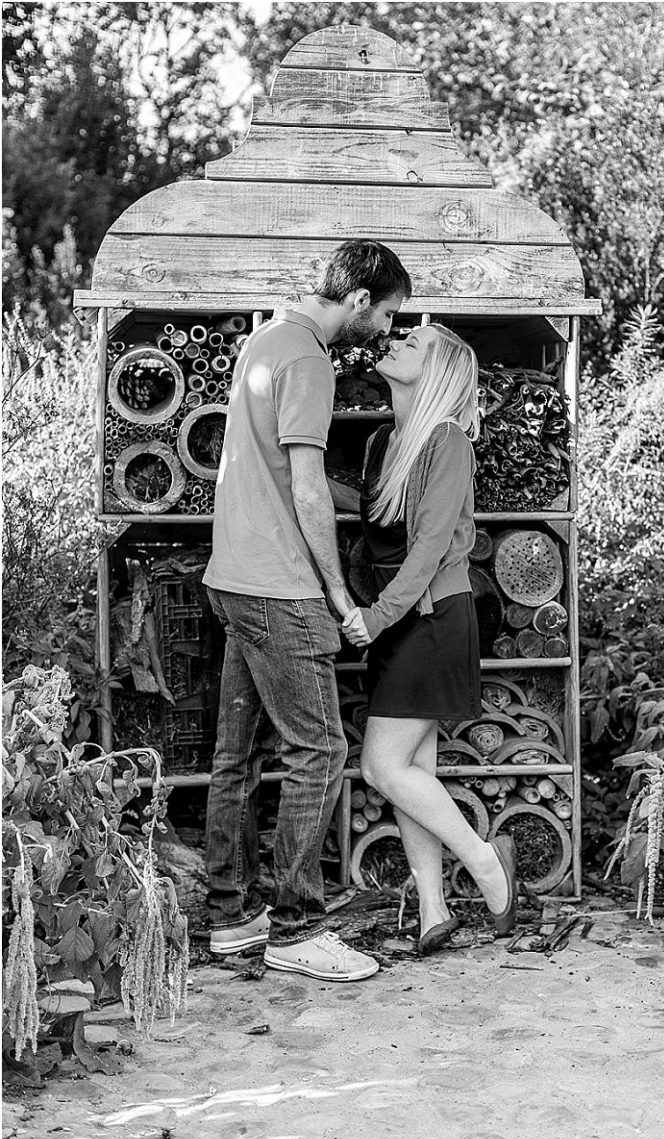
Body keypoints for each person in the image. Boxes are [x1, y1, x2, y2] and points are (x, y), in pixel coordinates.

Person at [203, 239, 412, 981]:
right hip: (278, 585)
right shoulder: (307, 359)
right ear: (359, 300)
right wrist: (338, 592)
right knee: (319, 751)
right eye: (386, 315)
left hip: (233, 573)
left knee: (237, 756)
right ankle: (297, 928)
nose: (385, 330)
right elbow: (307, 486)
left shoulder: (265, 340)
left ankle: (231, 917)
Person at [341, 324, 517, 954]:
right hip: (402, 621)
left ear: (437, 371)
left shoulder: (447, 441)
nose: (395, 341)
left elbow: (431, 548)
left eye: (412, 343)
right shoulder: (384, 441)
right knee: (413, 769)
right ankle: (432, 910)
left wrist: (376, 617)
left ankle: (486, 860)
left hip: (431, 617)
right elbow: (375, 514)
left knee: (380, 766)